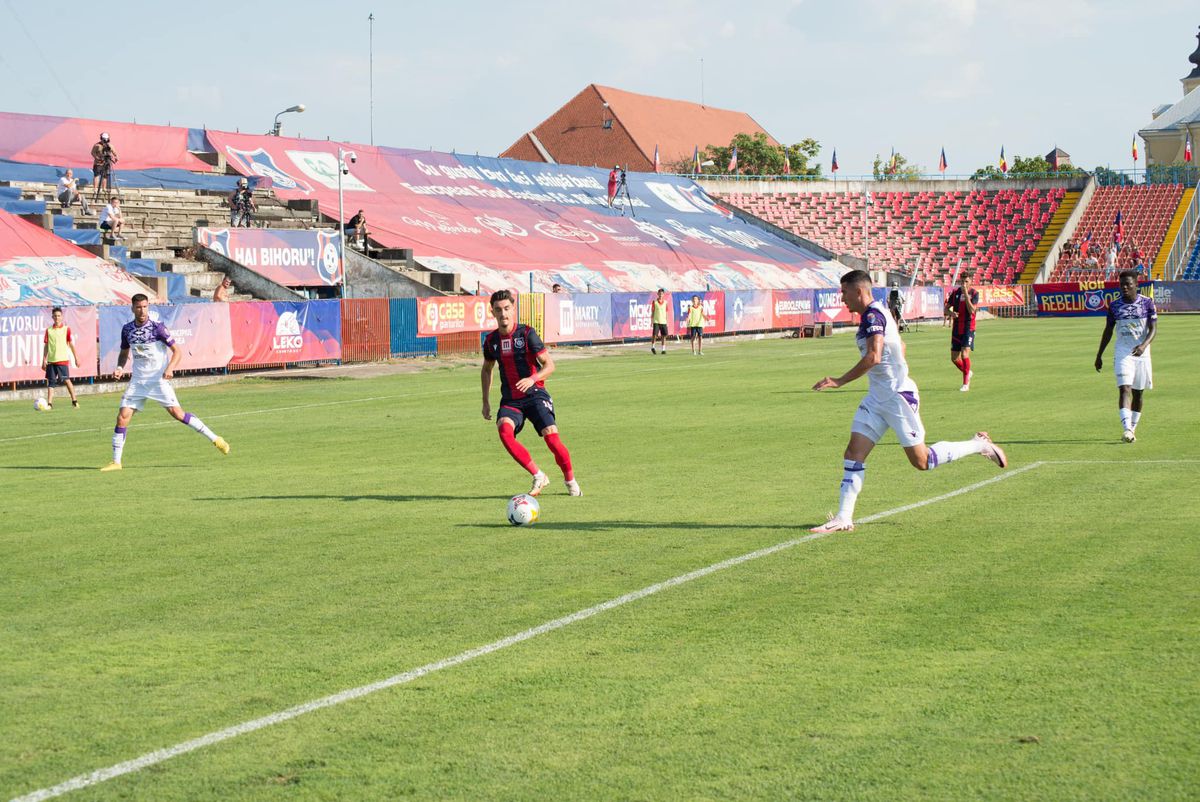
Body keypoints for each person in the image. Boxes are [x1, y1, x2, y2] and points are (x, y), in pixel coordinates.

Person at [809, 270, 1007, 533]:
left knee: (922, 461)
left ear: (859, 291)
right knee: (853, 453)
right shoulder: (878, 312)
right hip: (878, 397)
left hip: (896, 398)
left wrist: (839, 380)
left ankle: (978, 444)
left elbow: (874, 357)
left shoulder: (872, 316)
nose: (842, 298)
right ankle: (844, 518)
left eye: (844, 292)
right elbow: (900, 346)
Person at [101, 294, 230, 471]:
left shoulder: (157, 328)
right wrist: (119, 367)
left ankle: (216, 439)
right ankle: (116, 462)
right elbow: (124, 353)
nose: (142, 310)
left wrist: (169, 368)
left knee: (178, 414)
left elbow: (177, 351)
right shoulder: (127, 330)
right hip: (138, 382)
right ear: (132, 308)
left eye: (145, 307)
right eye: (139, 307)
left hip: (157, 380)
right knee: (122, 418)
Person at [480, 290, 580, 496]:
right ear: (493, 312)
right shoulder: (491, 341)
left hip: (535, 394)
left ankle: (570, 481)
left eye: (506, 309)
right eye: (498, 310)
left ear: (513, 309)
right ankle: (538, 475)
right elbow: (486, 369)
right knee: (504, 432)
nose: (503, 314)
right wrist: (485, 402)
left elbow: (550, 365)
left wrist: (532, 379)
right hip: (511, 400)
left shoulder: (527, 334)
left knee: (551, 438)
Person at [1095, 269, 1157, 443]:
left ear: (1136, 285)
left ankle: (1132, 429)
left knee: (1138, 394)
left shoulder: (1147, 303)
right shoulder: (1114, 306)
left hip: (1142, 353)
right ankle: (1127, 428)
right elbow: (1108, 331)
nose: (1124, 287)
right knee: (1124, 388)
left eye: (1128, 284)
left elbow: (1153, 329)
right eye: (1122, 284)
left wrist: (1144, 346)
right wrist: (1099, 354)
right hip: (1123, 352)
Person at [945, 272, 979, 391]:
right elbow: (945, 309)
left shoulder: (974, 293)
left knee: (965, 354)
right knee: (954, 358)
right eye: (962, 282)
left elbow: (972, 311)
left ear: (971, 282)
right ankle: (967, 372)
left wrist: (966, 293)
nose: (964, 284)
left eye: (966, 281)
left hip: (968, 327)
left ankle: (965, 384)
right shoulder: (955, 293)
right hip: (956, 327)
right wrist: (951, 313)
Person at [41, 307, 79, 409]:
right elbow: (46, 346)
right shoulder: (49, 330)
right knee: (51, 382)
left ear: (61, 317)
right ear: (52, 317)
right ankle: (49, 404)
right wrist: (44, 360)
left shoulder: (66, 329)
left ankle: (74, 401)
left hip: (62, 360)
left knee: (66, 380)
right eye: (55, 316)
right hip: (51, 361)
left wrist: (76, 358)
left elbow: (71, 344)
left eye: (58, 316)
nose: (57, 318)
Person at [90, 132, 117, 201]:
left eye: (106, 139)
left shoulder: (110, 146)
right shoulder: (97, 145)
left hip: (106, 162)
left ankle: (104, 188)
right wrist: (97, 158)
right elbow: (92, 152)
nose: (105, 141)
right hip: (98, 163)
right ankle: (95, 189)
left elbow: (114, 152)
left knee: (105, 176)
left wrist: (116, 157)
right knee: (97, 176)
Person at [650, 288, 669, 354]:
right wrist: (651, 321)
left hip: (663, 321)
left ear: (663, 294)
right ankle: (653, 347)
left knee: (664, 335)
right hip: (656, 321)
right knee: (654, 335)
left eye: (662, 294)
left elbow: (666, 312)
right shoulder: (654, 302)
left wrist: (667, 321)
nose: (661, 295)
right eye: (659, 294)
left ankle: (663, 349)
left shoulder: (666, 302)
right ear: (657, 294)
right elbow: (652, 312)